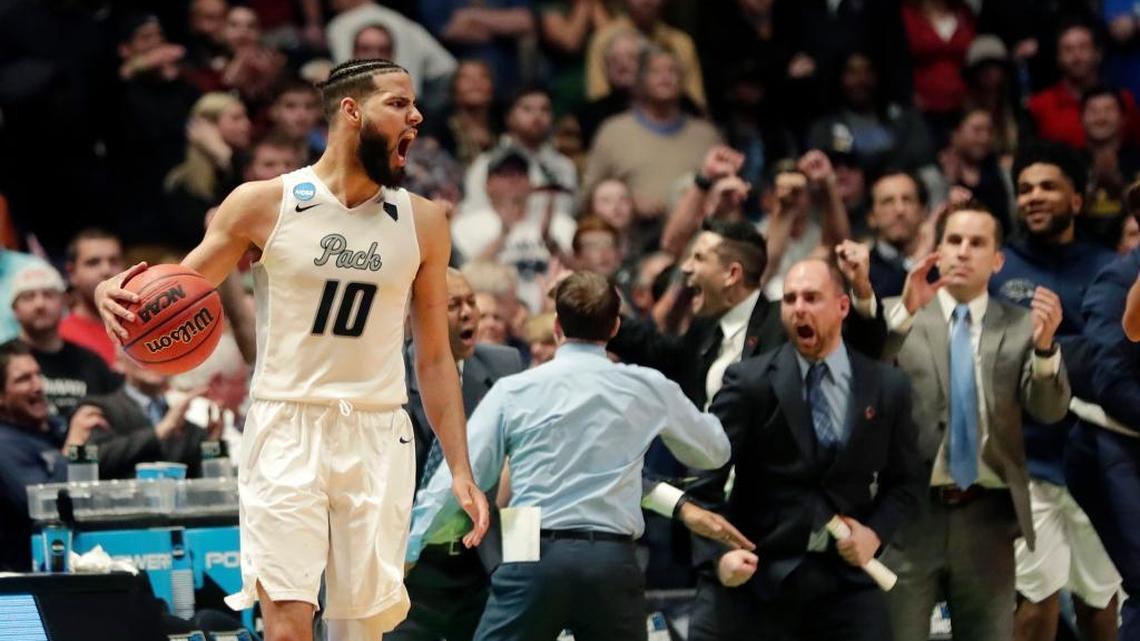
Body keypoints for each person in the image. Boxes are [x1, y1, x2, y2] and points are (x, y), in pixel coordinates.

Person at [95, 59, 489, 641]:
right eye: (399, 103)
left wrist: (460, 466)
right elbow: (174, 292)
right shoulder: (264, 203)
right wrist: (116, 294)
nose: (417, 115)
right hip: (286, 423)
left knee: (361, 630)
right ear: (352, 111)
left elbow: (433, 359)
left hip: (378, 430)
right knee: (286, 623)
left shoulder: (423, 222)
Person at [406, 271, 732, 641]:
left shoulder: (515, 390)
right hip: (612, 559)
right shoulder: (648, 386)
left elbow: (461, 476)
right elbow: (715, 452)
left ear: (557, 326)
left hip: (531, 554)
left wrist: (413, 544)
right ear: (615, 327)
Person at [694, 259, 924, 641]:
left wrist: (874, 534)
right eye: (789, 299)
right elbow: (705, 482)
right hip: (763, 573)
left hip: (846, 580)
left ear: (842, 306)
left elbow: (906, 481)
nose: (798, 307)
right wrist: (719, 557)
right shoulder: (749, 382)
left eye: (812, 297)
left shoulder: (886, 386)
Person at [879, 202, 1070, 641]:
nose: (963, 252)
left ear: (997, 260)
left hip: (986, 516)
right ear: (937, 250)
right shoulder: (898, 316)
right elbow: (866, 372)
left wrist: (1044, 351)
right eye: (955, 241)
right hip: (910, 515)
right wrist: (905, 314)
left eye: (977, 243)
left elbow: (1049, 409)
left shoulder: (1022, 325)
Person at [989, 145, 1121, 641]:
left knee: (1101, 607)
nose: (1034, 197)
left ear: (1077, 199)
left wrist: (1044, 348)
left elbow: (1111, 360)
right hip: (1029, 468)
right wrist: (1066, 350)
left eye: (1047, 187)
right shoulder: (1000, 268)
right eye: (1024, 189)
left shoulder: (1110, 267)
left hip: (1100, 463)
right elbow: (993, 357)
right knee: (1035, 606)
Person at [389, 268, 523, 641]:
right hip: (409, 570)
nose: (468, 313)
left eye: (471, 303)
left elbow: (526, 464)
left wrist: (524, 557)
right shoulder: (388, 374)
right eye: (453, 306)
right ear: (420, 314)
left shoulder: (503, 368)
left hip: (477, 566)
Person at [0, 340, 107, 571]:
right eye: (23, 379)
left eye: (38, 375)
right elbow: (42, 509)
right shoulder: (4, 445)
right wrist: (73, 446)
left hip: (76, 561)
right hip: (27, 578)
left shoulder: (56, 427)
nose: (37, 385)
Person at [82, 351, 220, 480]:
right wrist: (159, 432)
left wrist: (213, 444)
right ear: (120, 362)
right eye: (141, 350)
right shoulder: (99, 409)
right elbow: (93, 462)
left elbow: (203, 483)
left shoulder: (189, 426)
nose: (152, 358)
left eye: (159, 350)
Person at [10, 263, 120, 419]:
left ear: (64, 303)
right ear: (14, 309)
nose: (39, 304)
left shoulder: (91, 362)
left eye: (48, 295)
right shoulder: (4, 362)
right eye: (29, 297)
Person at [60, 229, 125, 367]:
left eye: (114, 261)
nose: (106, 270)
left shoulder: (144, 323)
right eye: (93, 262)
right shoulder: (61, 337)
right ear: (71, 273)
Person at [867, 171, 929, 298]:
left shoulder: (939, 267)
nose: (900, 210)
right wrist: (915, 261)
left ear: (923, 211)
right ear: (871, 217)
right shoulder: (861, 271)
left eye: (907, 200)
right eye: (888, 201)